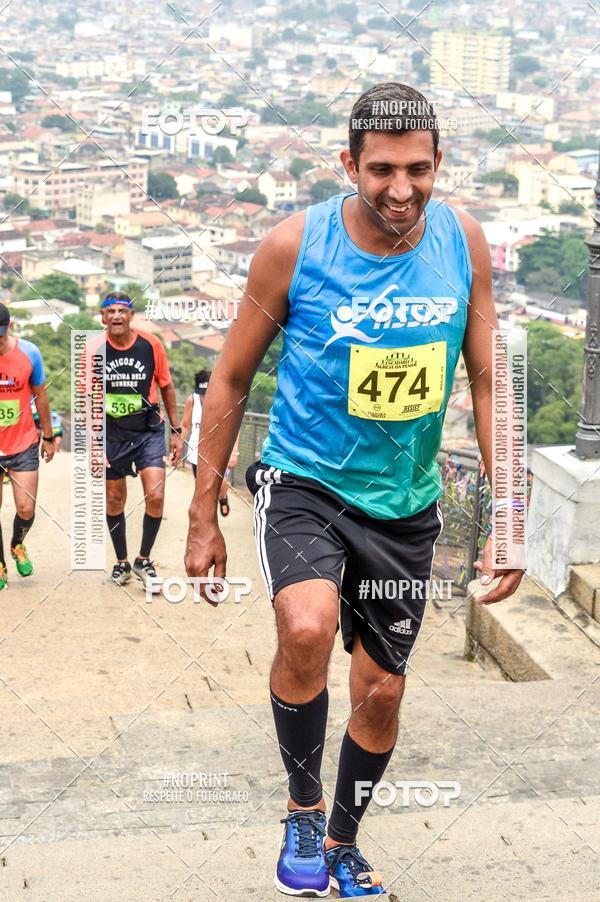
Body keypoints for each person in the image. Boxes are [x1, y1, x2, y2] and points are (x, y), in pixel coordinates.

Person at [185, 82, 525, 898]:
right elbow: (230, 377)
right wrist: (202, 513)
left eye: (417, 169)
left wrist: (507, 515)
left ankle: (342, 840)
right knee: (306, 628)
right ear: (348, 163)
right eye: (381, 170)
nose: (400, 189)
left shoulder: (464, 242)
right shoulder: (293, 246)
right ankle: (302, 807)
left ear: (439, 163)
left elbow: (487, 378)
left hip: (405, 505)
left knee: (383, 691)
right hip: (305, 479)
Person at [97, 291, 183, 588]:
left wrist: (176, 430)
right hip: (112, 433)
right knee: (114, 498)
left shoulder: (151, 344)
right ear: (103, 317)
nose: (117, 316)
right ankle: (121, 562)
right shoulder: (96, 350)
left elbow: (167, 386)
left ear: (132, 315)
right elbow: (87, 397)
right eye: (111, 311)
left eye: (123, 311)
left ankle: (143, 559)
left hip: (148, 430)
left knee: (156, 495)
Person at [0, 302, 55, 588]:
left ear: (8, 328)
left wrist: (48, 436)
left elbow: (41, 396)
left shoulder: (29, 353)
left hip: (22, 443)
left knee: (25, 509)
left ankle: (17, 544)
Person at [181, 369, 239, 516]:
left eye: (208, 392)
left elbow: (234, 427)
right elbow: (185, 425)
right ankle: (207, 517)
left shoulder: (223, 400)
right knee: (202, 487)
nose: (205, 397)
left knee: (221, 483)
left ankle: (223, 497)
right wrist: (177, 445)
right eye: (202, 393)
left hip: (219, 449)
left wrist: (233, 452)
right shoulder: (192, 400)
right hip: (197, 452)